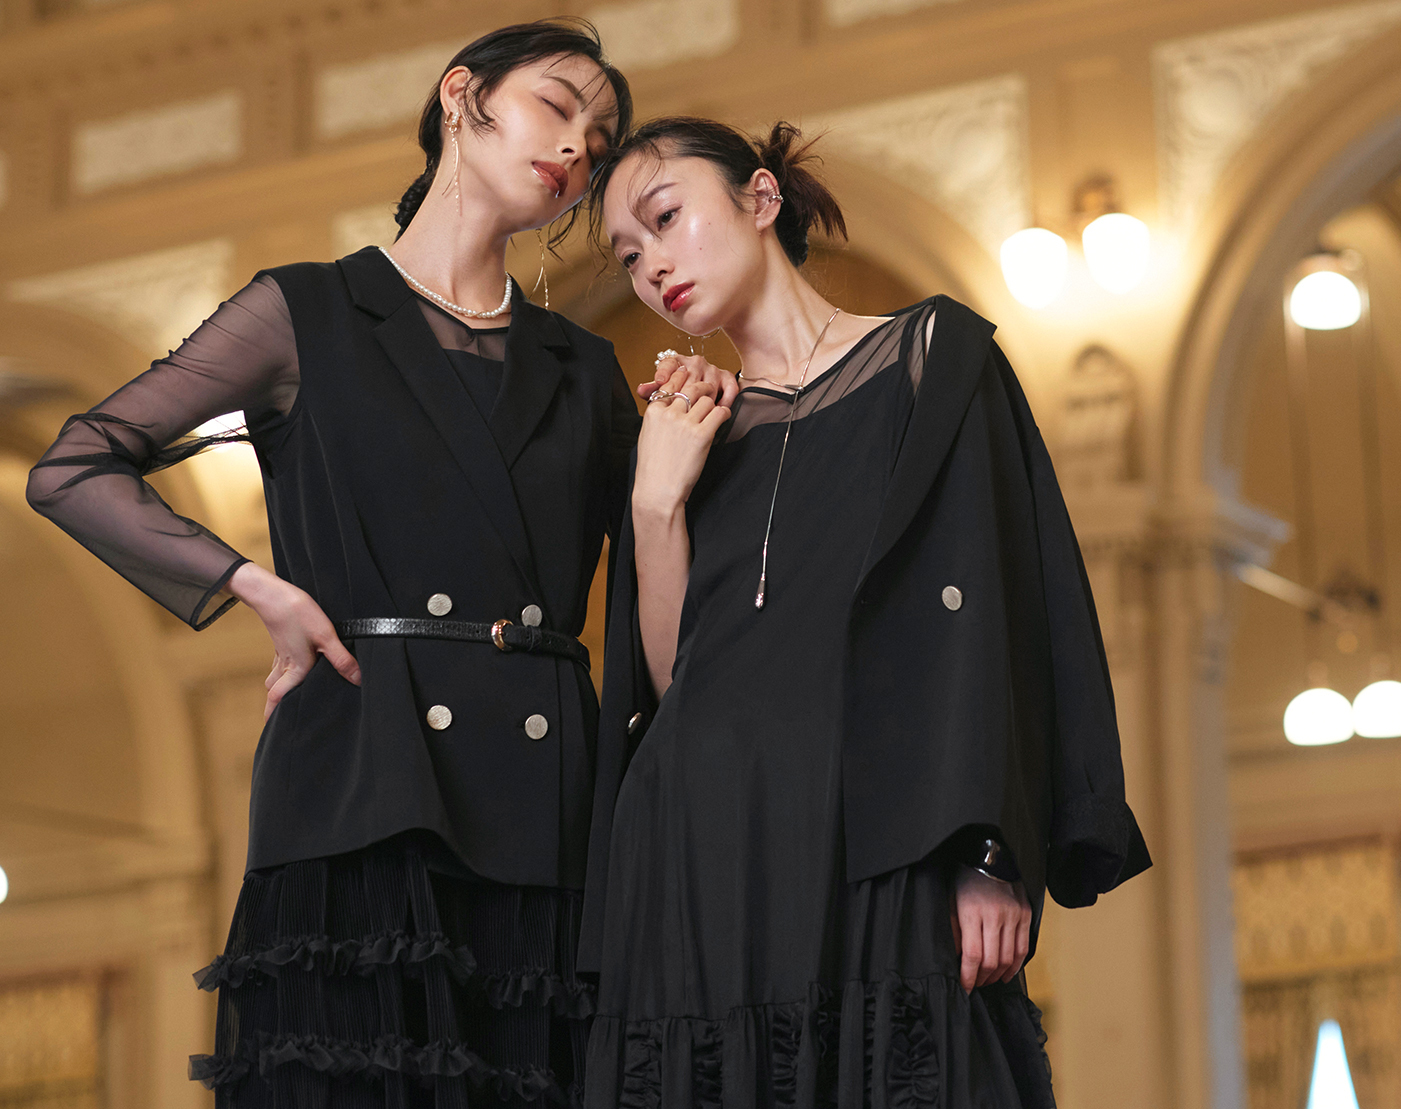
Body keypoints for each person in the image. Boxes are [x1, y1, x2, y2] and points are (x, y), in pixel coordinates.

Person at [26, 23, 728, 1108]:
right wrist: (254, 586)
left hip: (542, 816)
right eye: (556, 108)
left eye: (596, 143)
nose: (575, 150)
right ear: (461, 97)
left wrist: (675, 462)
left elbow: (659, 614)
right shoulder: (304, 312)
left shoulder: (583, 367)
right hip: (360, 778)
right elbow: (74, 467)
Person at [577, 116, 1152, 1109]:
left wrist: (987, 850)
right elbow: (677, 686)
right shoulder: (683, 434)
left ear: (762, 198)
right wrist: (656, 501)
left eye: (665, 219)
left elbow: (997, 623)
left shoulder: (932, 361)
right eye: (628, 255)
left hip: (885, 841)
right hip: (704, 861)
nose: (651, 265)